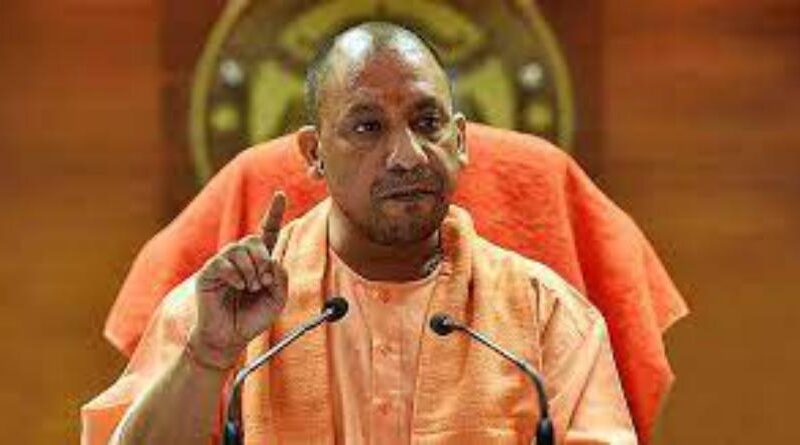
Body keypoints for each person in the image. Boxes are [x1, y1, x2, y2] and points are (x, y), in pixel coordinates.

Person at [83, 22, 641, 444]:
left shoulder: (544, 315)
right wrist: (207, 357)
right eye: (368, 127)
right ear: (314, 153)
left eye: (427, 123)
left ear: (460, 141)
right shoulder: (227, 310)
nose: (406, 155)